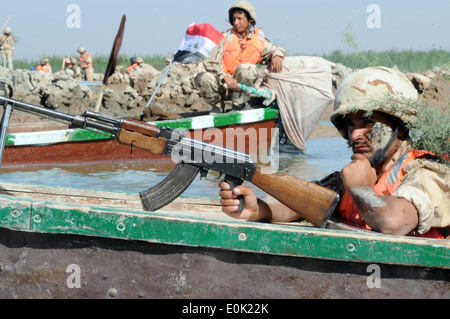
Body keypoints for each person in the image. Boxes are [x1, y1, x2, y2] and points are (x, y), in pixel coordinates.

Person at [219, 67, 450, 239]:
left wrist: (360, 188)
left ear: (401, 129)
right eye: (350, 124)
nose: (355, 135)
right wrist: (256, 208)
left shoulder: (428, 172)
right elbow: (304, 203)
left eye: (367, 122)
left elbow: (394, 222)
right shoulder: (352, 176)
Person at [194, 1, 286, 112]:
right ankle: (217, 106)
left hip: (243, 89)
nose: (236, 22)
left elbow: (277, 50)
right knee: (202, 77)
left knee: (246, 68)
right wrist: (225, 77)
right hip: (222, 85)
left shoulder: (259, 41)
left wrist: (277, 56)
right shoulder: (224, 37)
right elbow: (210, 62)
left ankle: (239, 106)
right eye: (234, 19)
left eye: (239, 18)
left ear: (249, 20)